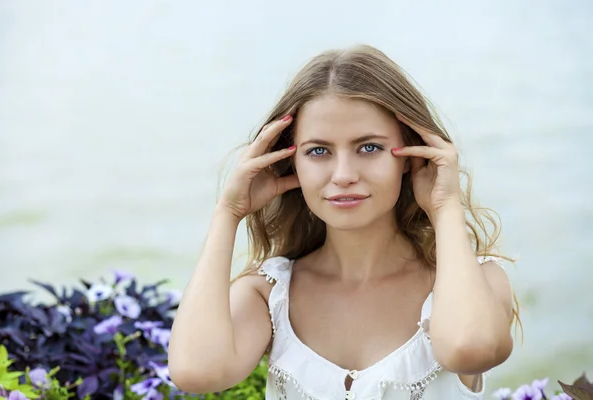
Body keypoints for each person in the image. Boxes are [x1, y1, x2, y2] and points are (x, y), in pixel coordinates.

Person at [168, 44, 520, 400]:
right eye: (318, 151)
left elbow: (470, 350)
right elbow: (196, 372)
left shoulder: (478, 281)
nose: (344, 175)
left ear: (412, 156)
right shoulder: (269, 294)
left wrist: (445, 206)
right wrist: (227, 213)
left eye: (369, 147)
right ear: (292, 163)